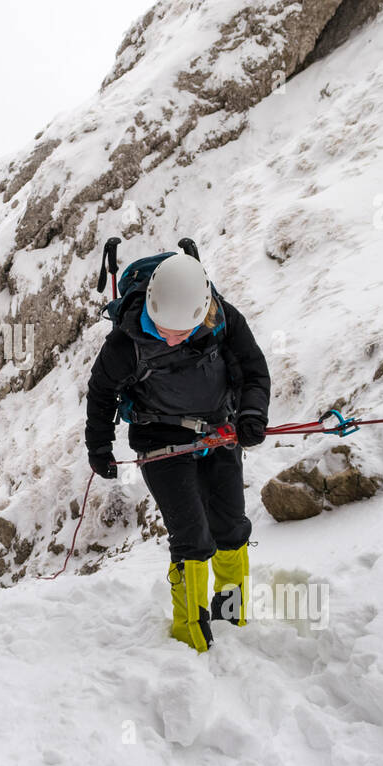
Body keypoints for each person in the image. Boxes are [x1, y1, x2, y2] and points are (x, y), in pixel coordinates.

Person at [85, 252, 270, 652]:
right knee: (192, 537)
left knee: (231, 527)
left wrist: (252, 414)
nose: (170, 338)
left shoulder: (222, 320)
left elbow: (253, 370)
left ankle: (233, 616)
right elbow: (101, 393)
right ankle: (192, 635)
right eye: (163, 329)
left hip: (219, 429)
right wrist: (98, 445)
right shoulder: (126, 343)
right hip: (159, 438)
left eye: (181, 332)